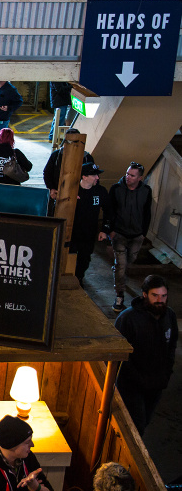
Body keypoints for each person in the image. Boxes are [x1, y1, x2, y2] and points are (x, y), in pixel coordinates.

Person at [114, 275, 177, 435]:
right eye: (155, 295)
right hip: (131, 386)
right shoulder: (128, 319)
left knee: (145, 421)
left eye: (163, 296)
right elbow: (119, 354)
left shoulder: (169, 316)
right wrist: (137, 378)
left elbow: (171, 346)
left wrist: (166, 374)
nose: (160, 300)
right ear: (144, 294)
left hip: (156, 384)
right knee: (135, 426)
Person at [106, 162, 152, 313]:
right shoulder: (116, 189)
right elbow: (110, 210)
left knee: (129, 260)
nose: (128, 177)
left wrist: (143, 233)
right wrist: (110, 230)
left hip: (137, 235)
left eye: (132, 175)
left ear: (140, 178)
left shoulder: (146, 191)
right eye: (127, 174)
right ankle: (119, 296)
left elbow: (147, 212)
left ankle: (118, 267)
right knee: (121, 266)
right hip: (119, 233)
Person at [0, 415, 52, 491]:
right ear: (12, 445)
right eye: (27, 442)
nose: (32, 445)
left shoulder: (27, 457)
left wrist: (36, 487)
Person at [69, 163, 109, 287]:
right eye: (94, 175)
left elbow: (109, 211)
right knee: (69, 256)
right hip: (72, 232)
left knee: (85, 258)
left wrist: (104, 229)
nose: (97, 177)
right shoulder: (73, 190)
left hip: (89, 233)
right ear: (84, 177)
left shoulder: (100, 191)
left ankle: (79, 278)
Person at [42, 129, 94, 203]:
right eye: (69, 142)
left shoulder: (86, 157)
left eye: (75, 142)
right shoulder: (56, 155)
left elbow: (94, 176)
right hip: (59, 192)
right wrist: (51, 188)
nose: (72, 145)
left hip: (81, 194)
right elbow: (47, 173)